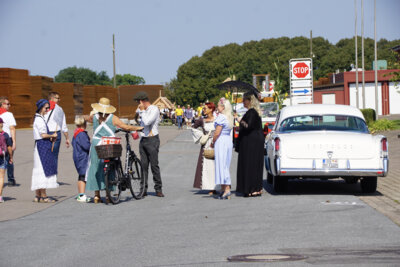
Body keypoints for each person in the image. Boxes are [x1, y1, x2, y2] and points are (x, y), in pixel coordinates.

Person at [84, 97, 143, 203]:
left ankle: (96, 195)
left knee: (95, 167)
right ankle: (108, 195)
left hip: (96, 143)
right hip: (108, 143)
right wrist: (137, 128)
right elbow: (125, 127)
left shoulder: (94, 117)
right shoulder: (113, 117)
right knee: (111, 166)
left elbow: (86, 118)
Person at [134, 91, 164, 197]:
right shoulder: (141, 110)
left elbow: (147, 122)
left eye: (138, 102)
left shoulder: (154, 109)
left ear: (142, 101)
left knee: (154, 165)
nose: (137, 104)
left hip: (152, 139)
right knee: (143, 165)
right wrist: (138, 114)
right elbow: (137, 120)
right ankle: (143, 189)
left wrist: (141, 111)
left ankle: (158, 188)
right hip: (143, 139)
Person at [235, 92, 264, 197]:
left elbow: (248, 126)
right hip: (255, 141)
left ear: (250, 101)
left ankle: (252, 188)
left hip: (251, 142)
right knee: (255, 165)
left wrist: (239, 120)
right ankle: (256, 188)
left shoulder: (251, 112)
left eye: (244, 100)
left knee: (250, 164)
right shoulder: (254, 112)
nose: (243, 102)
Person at [31, 99, 59, 203]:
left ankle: (37, 195)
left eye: (48, 108)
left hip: (41, 144)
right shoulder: (39, 119)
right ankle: (43, 196)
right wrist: (52, 135)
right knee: (43, 169)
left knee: (39, 169)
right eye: (46, 108)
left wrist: (51, 138)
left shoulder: (39, 118)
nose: (48, 110)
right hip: (42, 145)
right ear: (41, 108)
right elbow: (43, 135)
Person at [191, 103, 218, 195]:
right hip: (206, 145)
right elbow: (193, 128)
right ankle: (210, 187)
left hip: (217, 144)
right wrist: (202, 136)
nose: (203, 110)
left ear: (211, 109)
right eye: (203, 108)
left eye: (205, 108)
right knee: (207, 167)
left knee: (216, 166)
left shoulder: (218, 119)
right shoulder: (202, 120)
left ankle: (217, 187)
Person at [211, 98, 233, 200]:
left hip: (221, 141)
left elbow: (217, 132)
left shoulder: (221, 117)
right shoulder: (229, 117)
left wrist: (213, 141)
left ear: (223, 107)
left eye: (219, 106)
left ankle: (227, 188)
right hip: (228, 140)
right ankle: (224, 188)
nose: (217, 107)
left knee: (221, 165)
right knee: (225, 164)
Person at [44, 92, 70, 171]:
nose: (59, 100)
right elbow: (63, 126)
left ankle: (45, 176)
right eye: (57, 98)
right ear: (51, 98)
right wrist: (67, 138)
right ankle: (53, 177)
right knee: (54, 156)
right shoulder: (59, 109)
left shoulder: (43, 108)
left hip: (45, 133)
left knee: (44, 155)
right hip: (55, 133)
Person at [72, 116, 91, 203]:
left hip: (77, 155)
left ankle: (81, 194)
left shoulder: (76, 132)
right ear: (84, 124)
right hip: (82, 156)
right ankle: (82, 194)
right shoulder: (82, 134)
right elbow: (86, 146)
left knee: (80, 175)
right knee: (83, 175)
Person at [0, 96, 17, 186]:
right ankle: (10, 179)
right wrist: (14, 141)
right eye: (8, 104)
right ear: (3, 104)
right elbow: (12, 128)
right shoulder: (9, 114)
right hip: (7, 138)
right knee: (9, 159)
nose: (9, 105)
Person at [0, 118, 13, 203]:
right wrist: (11, 157)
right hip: (2, 157)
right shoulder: (5, 135)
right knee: (1, 177)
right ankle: (0, 196)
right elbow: (9, 147)